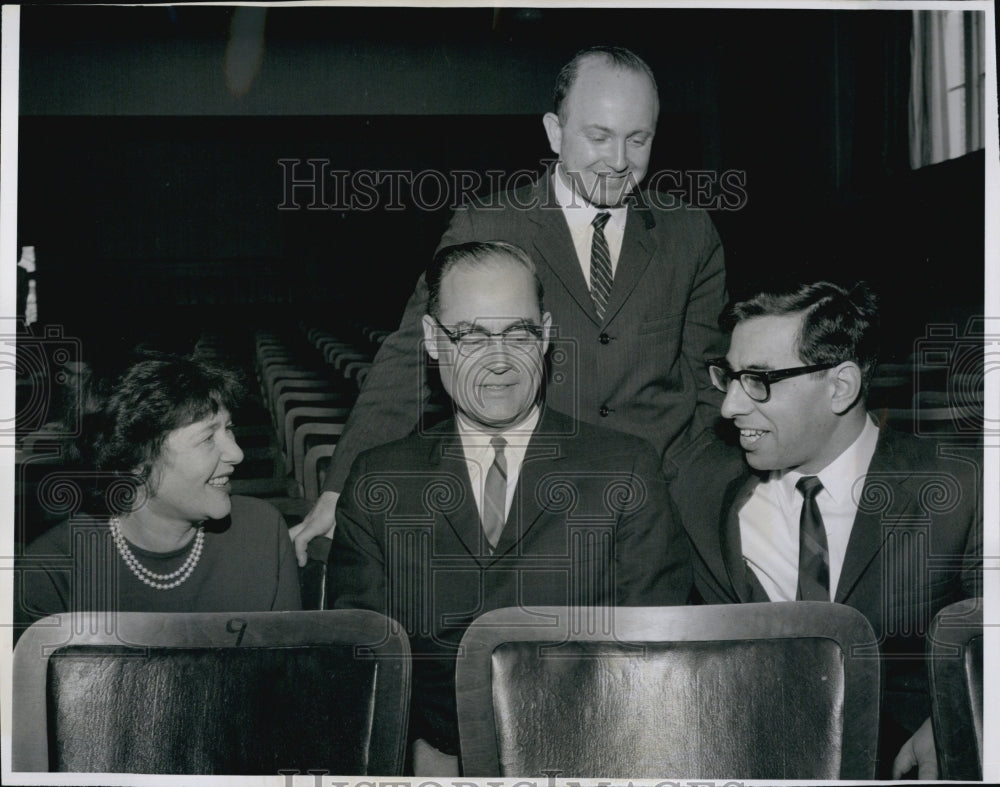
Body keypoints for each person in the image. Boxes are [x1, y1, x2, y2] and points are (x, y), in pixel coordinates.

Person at [291, 45, 727, 563]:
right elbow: (408, 356)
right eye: (599, 136)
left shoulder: (691, 232)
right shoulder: (489, 224)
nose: (618, 160)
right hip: (537, 508)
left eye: (638, 139)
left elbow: (706, 382)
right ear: (554, 132)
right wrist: (340, 490)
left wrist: (695, 490)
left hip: (660, 504)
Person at [328, 241, 691, 775]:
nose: (497, 361)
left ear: (545, 334)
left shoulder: (624, 471)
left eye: (517, 333)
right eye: (470, 334)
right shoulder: (379, 481)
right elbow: (363, 672)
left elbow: (654, 669)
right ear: (432, 340)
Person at [667, 281, 981, 780]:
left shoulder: (963, 486)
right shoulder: (698, 483)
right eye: (728, 377)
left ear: (840, 387)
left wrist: (962, 720)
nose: (729, 406)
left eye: (758, 380)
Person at [16, 354, 301, 637]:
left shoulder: (263, 533)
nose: (237, 453)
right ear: (135, 461)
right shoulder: (49, 571)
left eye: (229, 429)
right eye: (206, 438)